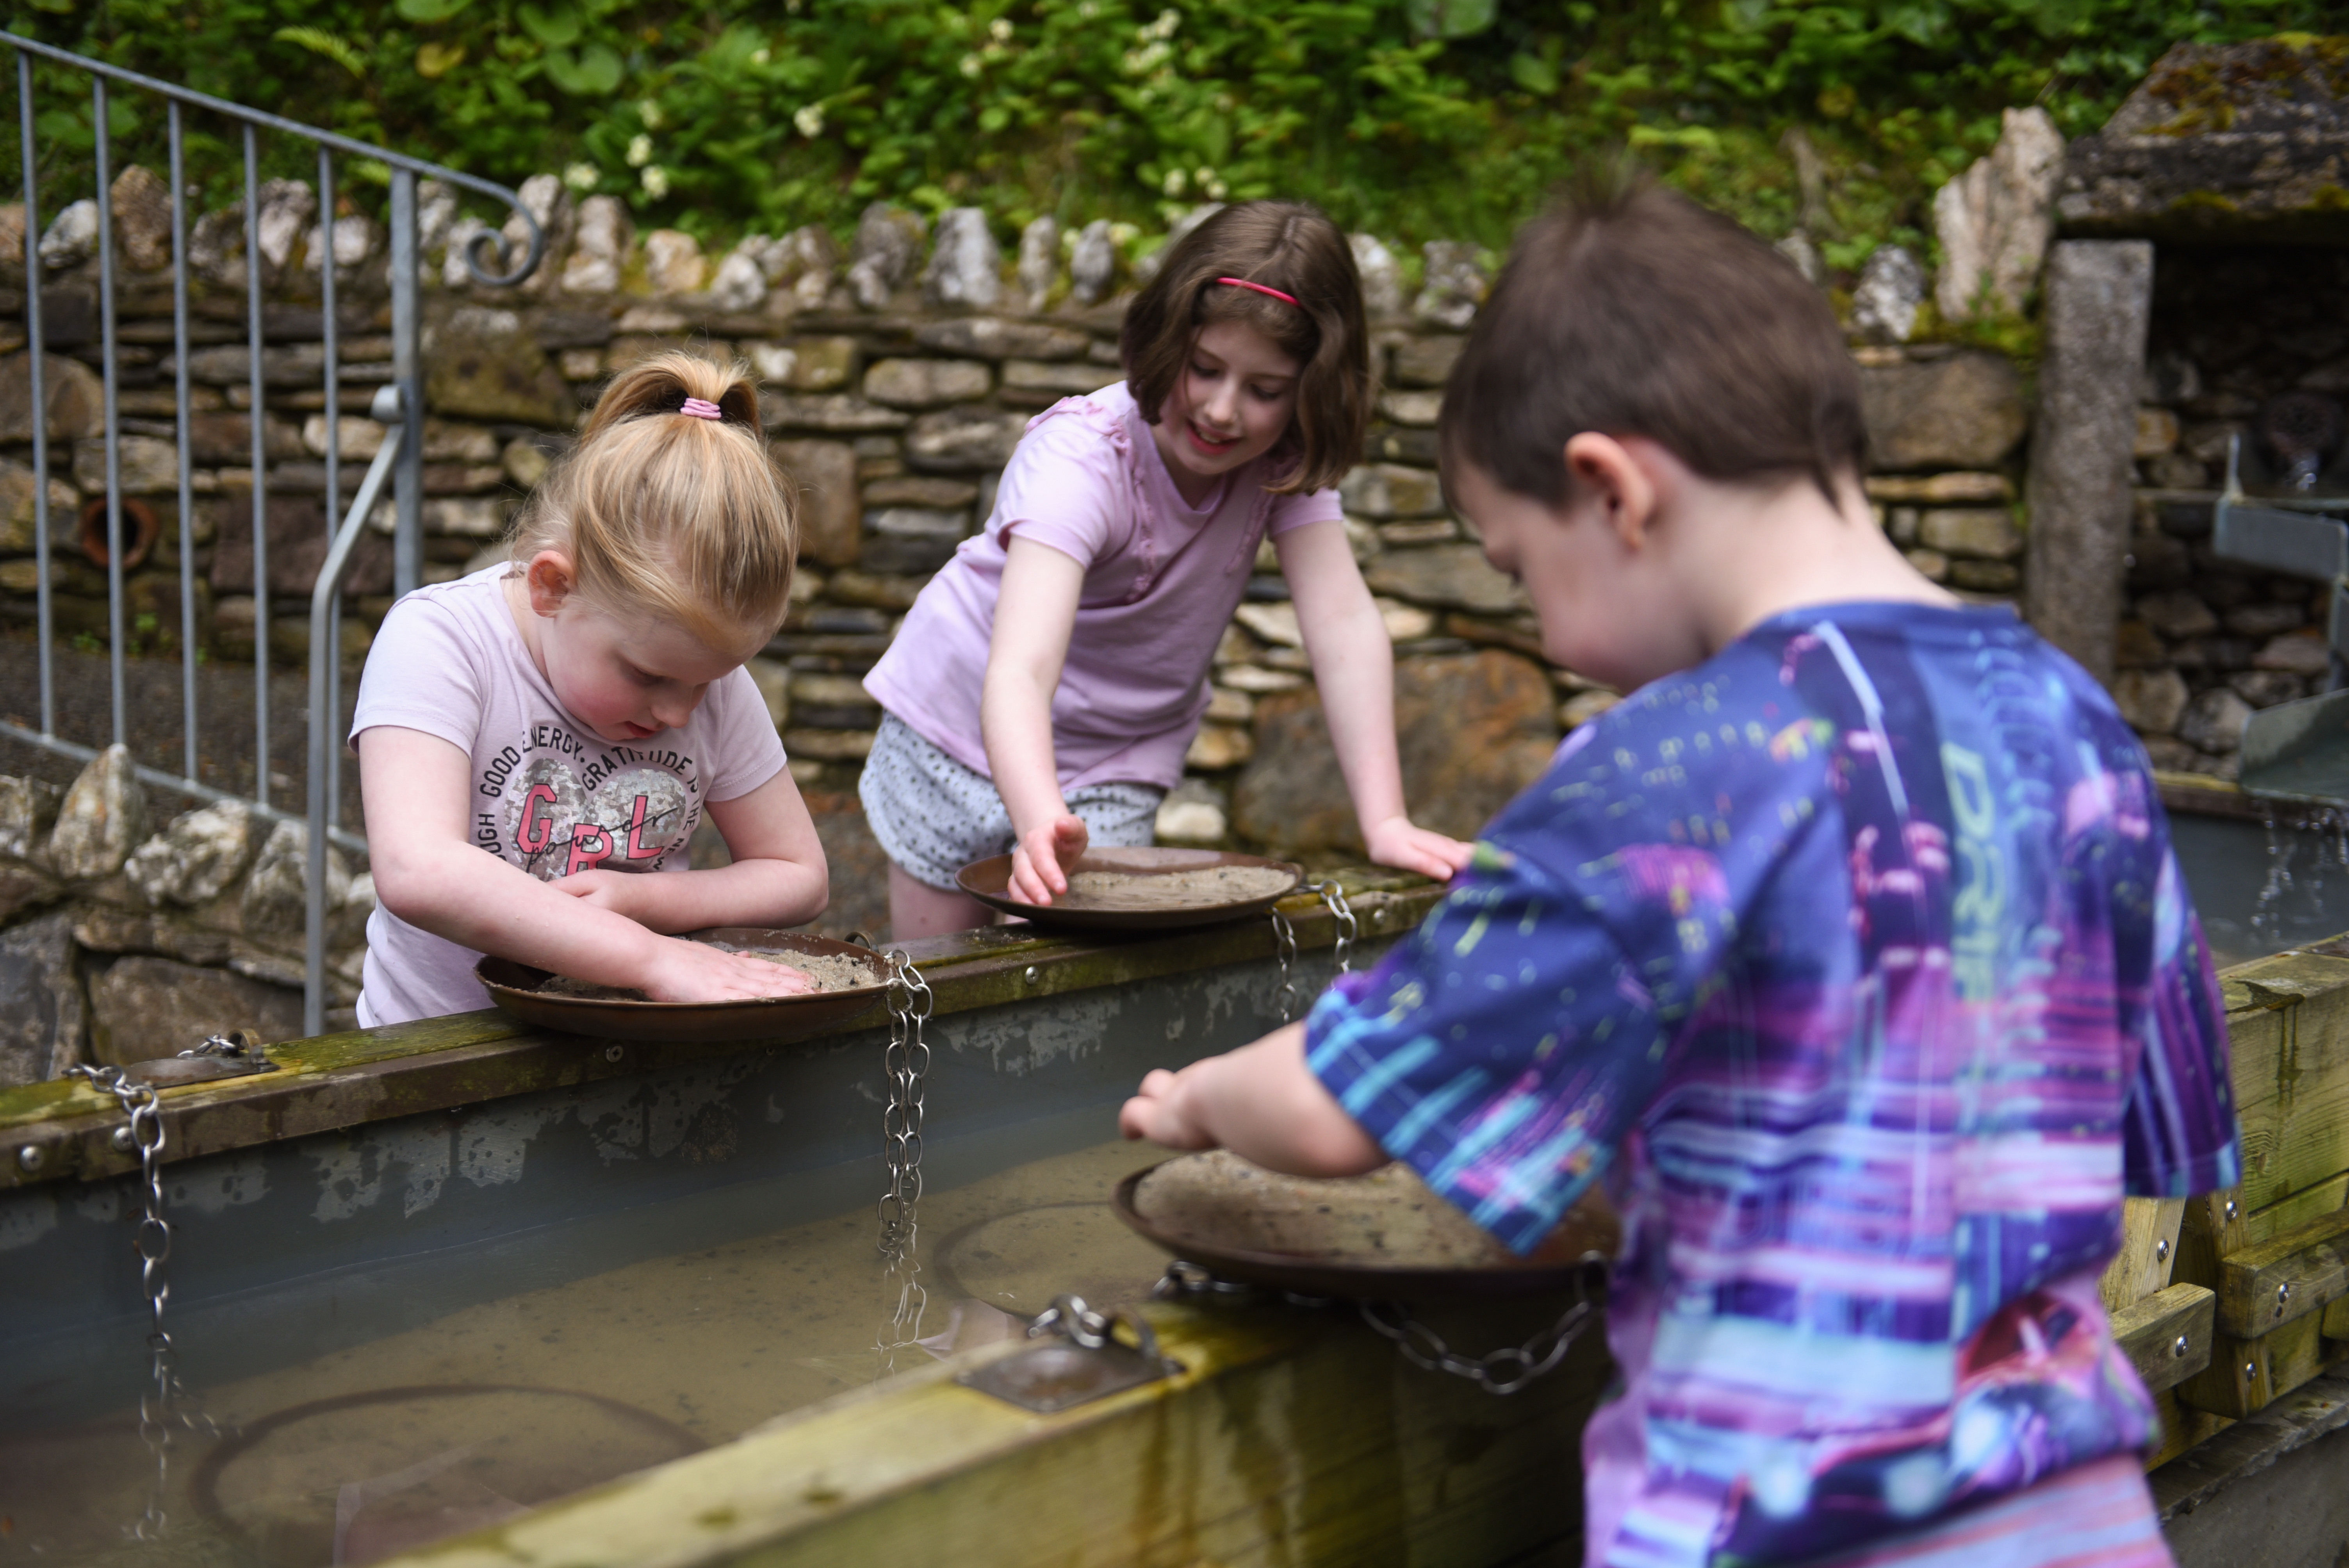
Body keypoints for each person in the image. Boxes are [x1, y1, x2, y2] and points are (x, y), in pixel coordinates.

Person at [1119, 175, 2240, 1568]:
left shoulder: (1673, 767)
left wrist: (1202, 1098)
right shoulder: (2072, 720)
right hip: (2076, 1522)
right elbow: (2143, 1130)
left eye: (1519, 567)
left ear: (1611, 489)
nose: (1548, 624)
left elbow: (1341, 1108)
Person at [860, 200, 1473, 938]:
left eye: (1266, 390)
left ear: (1312, 390)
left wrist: (1386, 820)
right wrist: (1038, 817)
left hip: (1116, 762)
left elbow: (1342, 623)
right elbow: (1019, 669)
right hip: (954, 728)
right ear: (1164, 341)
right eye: (1205, 369)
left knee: (1085, 984)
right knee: (936, 981)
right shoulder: (1081, 462)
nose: (1222, 410)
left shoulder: (1279, 467)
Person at [353, 352, 830, 1025]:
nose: (678, 710)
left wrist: (645, 902)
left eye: (708, 681)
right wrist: (651, 958)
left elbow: (799, 873)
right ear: (554, 587)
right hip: (438, 1063)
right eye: (648, 676)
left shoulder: (703, 677)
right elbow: (417, 869)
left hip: (633, 1058)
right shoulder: (442, 640)